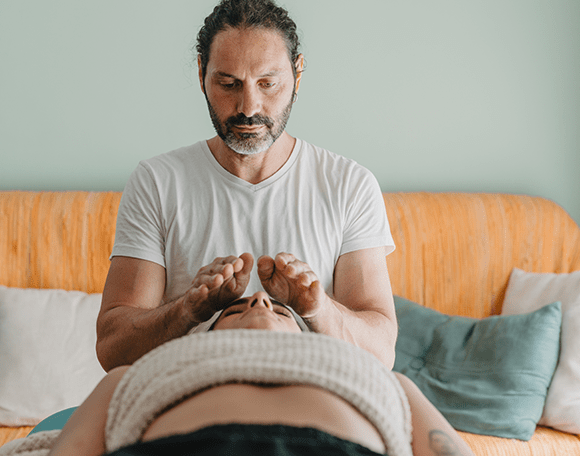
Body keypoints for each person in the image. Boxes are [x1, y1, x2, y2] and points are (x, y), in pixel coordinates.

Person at [97, 0, 397, 372]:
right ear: (201, 74)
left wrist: (318, 308)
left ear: (298, 74)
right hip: (191, 402)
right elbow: (112, 349)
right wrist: (187, 309)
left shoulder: (349, 185)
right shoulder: (158, 182)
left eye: (268, 83)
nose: (249, 106)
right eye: (228, 84)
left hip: (312, 404)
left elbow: (381, 353)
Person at [35, 292, 473, 456]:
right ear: (204, 337)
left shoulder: (378, 375)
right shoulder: (138, 371)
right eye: (237, 307)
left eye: (280, 308)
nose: (260, 303)